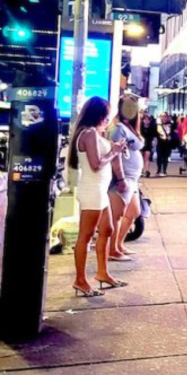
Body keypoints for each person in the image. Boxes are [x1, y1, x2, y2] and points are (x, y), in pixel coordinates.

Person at [69, 96, 128, 297]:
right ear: (98, 114)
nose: (107, 119)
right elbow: (96, 164)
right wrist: (114, 151)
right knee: (85, 237)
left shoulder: (94, 133)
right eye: (105, 115)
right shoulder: (89, 134)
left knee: (107, 229)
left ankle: (102, 273)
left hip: (99, 190)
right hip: (92, 190)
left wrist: (115, 149)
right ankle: (80, 280)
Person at [107, 95, 145, 262]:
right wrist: (120, 178)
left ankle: (119, 244)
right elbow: (114, 154)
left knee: (133, 212)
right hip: (123, 178)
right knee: (116, 216)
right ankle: (112, 249)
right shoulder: (118, 128)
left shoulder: (128, 127)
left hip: (132, 178)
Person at [156, 112, 174, 177]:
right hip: (160, 143)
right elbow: (155, 133)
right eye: (162, 117)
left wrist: (171, 137)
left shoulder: (171, 125)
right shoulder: (158, 125)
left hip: (167, 144)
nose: (164, 118)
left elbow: (174, 133)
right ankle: (158, 170)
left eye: (165, 116)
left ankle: (164, 170)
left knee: (165, 157)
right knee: (159, 157)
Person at [140, 113, 156, 178]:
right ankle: (141, 170)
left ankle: (146, 170)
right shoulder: (140, 127)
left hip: (148, 144)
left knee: (147, 157)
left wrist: (153, 141)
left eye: (148, 120)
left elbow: (153, 136)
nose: (146, 121)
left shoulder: (152, 128)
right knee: (141, 158)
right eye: (145, 119)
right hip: (141, 143)